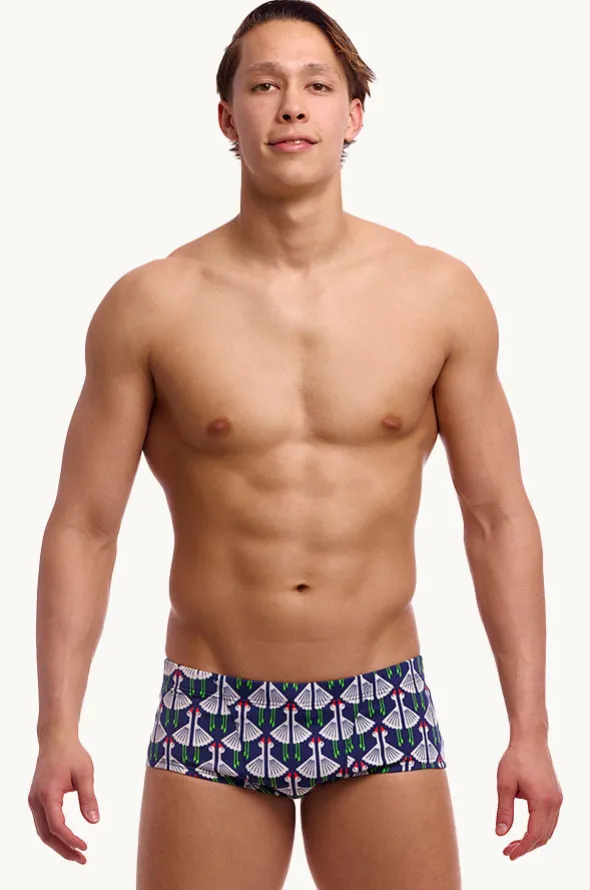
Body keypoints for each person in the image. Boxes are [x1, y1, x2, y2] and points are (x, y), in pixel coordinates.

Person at [28, 1, 563, 887]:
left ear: (354, 114)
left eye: (317, 85)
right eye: (264, 85)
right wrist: (57, 730)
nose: (291, 106)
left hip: (379, 699)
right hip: (213, 703)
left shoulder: (438, 295)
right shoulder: (152, 304)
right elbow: (84, 526)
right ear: (226, 116)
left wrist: (530, 731)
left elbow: (498, 516)